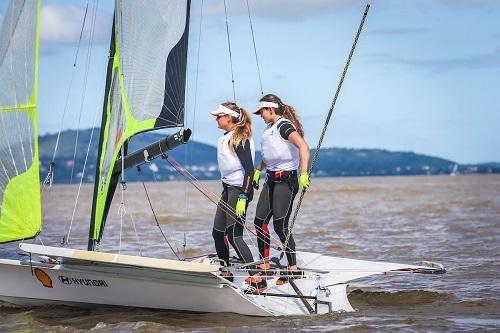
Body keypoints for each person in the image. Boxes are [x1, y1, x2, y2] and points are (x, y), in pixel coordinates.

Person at [251, 93, 310, 288]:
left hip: (287, 180)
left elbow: (304, 146)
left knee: (280, 226)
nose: (260, 115)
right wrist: (258, 170)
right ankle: (265, 265)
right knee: (259, 221)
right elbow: (269, 155)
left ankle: (293, 269)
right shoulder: (270, 129)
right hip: (271, 179)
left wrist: (303, 173)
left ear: (271, 109)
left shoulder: (284, 126)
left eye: (262, 112)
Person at [210, 102, 256, 282]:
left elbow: (250, 171)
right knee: (217, 232)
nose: (216, 119)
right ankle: (226, 270)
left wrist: (245, 195)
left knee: (234, 236)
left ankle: (257, 276)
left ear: (228, 117)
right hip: (228, 190)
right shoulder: (226, 137)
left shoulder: (239, 138)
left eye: (219, 116)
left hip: (240, 191)